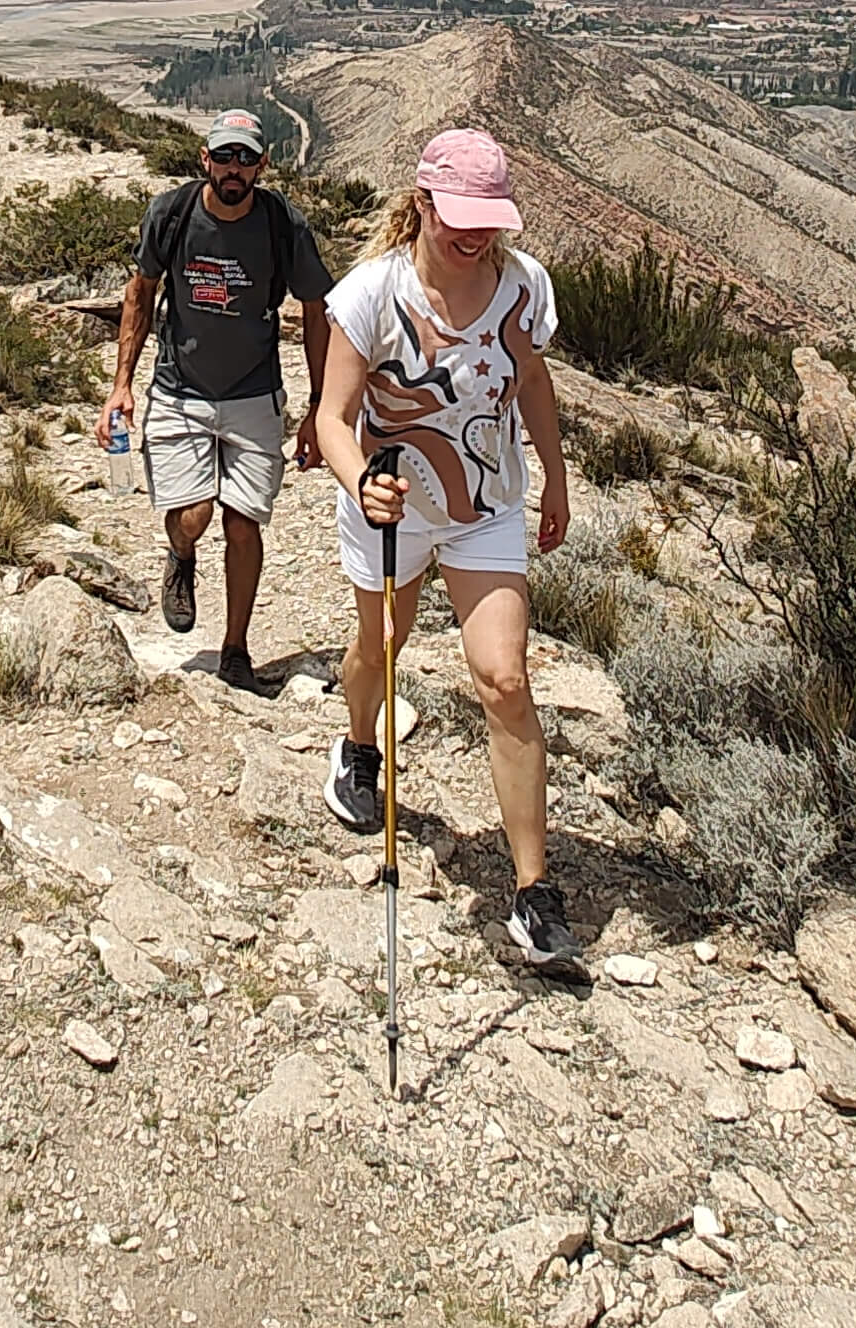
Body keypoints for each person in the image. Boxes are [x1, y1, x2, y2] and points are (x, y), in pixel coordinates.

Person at [311, 127, 579, 968]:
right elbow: (331, 415)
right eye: (458, 216)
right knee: (381, 645)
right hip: (390, 503)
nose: (474, 236)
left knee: (504, 677)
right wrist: (361, 480)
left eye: (487, 220)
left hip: (485, 505)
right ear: (422, 203)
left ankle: (533, 890)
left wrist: (557, 478)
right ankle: (360, 746)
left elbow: (530, 378)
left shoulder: (523, 288)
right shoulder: (369, 294)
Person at [96, 109, 334, 694]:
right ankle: (181, 556)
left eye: (245, 158)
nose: (234, 168)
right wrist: (121, 383)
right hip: (182, 388)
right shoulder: (172, 215)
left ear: (262, 165)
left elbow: (316, 311)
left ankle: (236, 649)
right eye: (224, 156)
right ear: (205, 159)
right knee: (195, 513)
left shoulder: (283, 225)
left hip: (255, 392)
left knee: (245, 523)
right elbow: (141, 293)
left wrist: (320, 408)